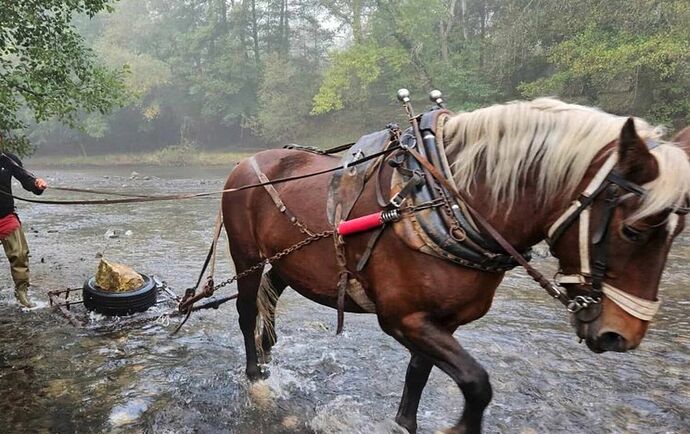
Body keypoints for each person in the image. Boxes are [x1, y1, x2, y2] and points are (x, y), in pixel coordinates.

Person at [0, 149, 48, 308]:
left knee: (20, 253)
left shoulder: (8, 160)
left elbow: (26, 179)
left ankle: (21, 292)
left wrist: (37, 184)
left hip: (5, 215)